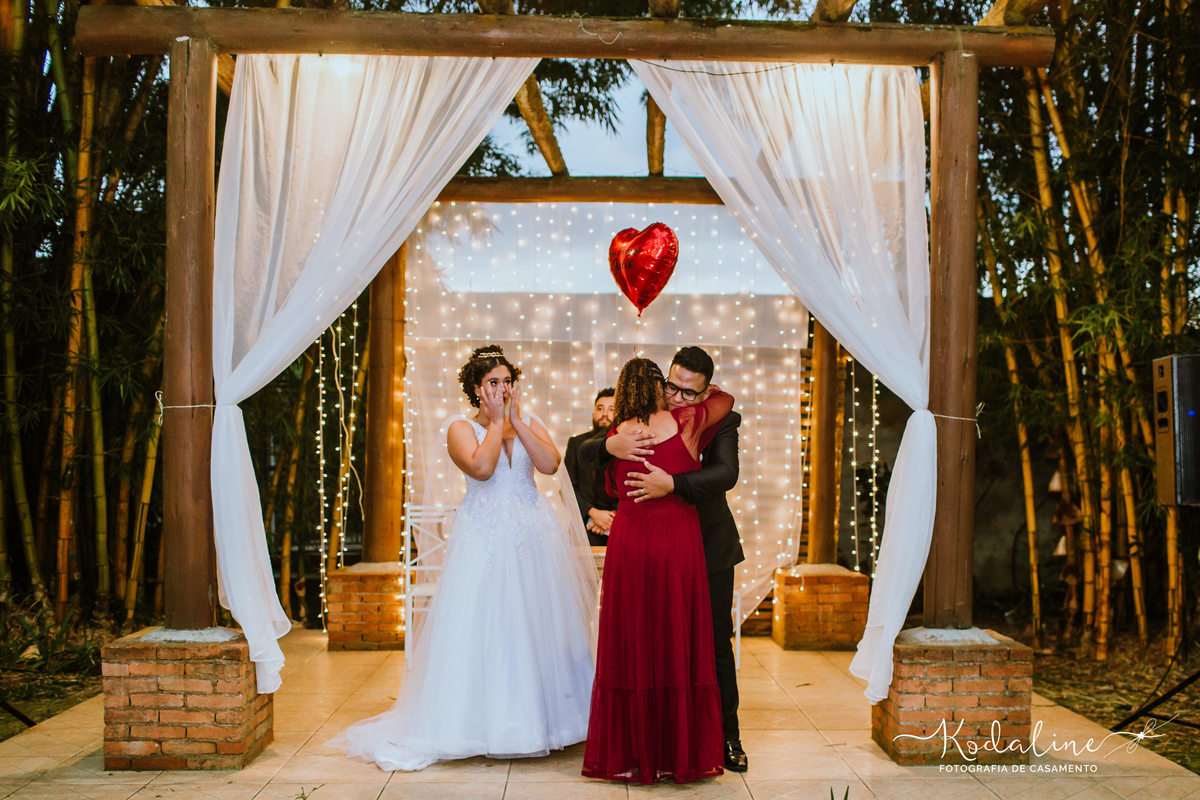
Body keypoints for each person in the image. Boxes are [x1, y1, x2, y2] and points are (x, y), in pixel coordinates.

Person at [327, 345, 598, 771]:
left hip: (533, 535)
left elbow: (549, 465)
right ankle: (482, 726)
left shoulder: (530, 422)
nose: (502, 389)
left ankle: (548, 723)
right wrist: (497, 423)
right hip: (484, 537)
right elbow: (482, 468)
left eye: (507, 381)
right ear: (476, 389)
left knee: (536, 621)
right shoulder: (459, 428)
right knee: (488, 623)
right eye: (493, 383)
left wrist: (517, 422)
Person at [580, 345, 747, 772]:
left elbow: (725, 474)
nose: (677, 397)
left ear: (706, 391)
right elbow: (586, 452)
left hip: (707, 544)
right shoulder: (640, 420)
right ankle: (658, 739)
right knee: (653, 643)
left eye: (689, 392)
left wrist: (672, 484)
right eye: (672, 386)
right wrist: (611, 445)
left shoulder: (718, 418)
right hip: (657, 546)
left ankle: (727, 737)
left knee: (713, 643)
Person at [564, 388, 617, 545]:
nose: (604, 414)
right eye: (600, 408)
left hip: (618, 522)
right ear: (593, 413)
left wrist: (613, 516)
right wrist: (593, 514)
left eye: (611, 409)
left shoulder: (625, 443)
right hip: (583, 525)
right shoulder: (576, 443)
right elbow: (567, 487)